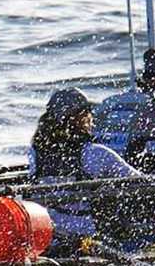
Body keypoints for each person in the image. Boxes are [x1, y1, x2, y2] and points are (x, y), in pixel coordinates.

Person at [28, 88, 140, 248]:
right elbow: (140, 182)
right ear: (79, 119)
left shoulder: (35, 153)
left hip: (51, 235)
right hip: (86, 235)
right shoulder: (96, 153)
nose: (92, 118)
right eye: (88, 113)